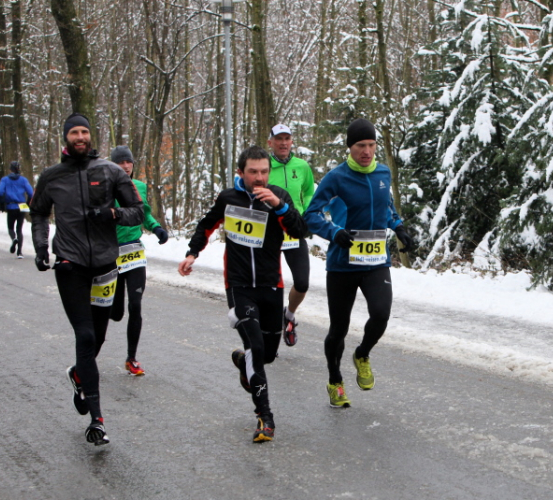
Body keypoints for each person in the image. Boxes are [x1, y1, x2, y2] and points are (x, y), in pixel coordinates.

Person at [177, 145, 307, 443]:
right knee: (256, 349)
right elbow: (206, 226)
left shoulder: (278, 197)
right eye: (253, 172)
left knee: (268, 355)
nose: (259, 178)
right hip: (238, 286)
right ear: (240, 172)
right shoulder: (228, 198)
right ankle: (265, 418)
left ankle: (242, 362)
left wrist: (280, 206)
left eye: (264, 172)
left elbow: (300, 231)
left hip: (271, 286)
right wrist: (192, 253)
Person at [30, 113, 144, 446]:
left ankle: (79, 374)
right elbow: (38, 212)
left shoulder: (110, 171)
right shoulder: (51, 176)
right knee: (84, 335)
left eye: (84, 132)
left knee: (98, 338)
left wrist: (112, 214)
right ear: (65, 137)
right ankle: (97, 420)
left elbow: (138, 211)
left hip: (106, 264)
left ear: (90, 136)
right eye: (74, 133)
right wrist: (41, 247)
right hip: (70, 263)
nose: (80, 137)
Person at [303, 118, 414, 409]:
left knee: (381, 314)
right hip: (343, 264)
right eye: (360, 145)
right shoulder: (336, 178)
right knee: (338, 328)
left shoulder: (383, 173)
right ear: (350, 147)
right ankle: (335, 381)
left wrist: (399, 227)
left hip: (376, 261)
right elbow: (311, 215)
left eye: (371, 145)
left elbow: (386, 207)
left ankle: (362, 354)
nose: (366, 151)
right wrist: (333, 232)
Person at [109, 145, 169, 376]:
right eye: (120, 163)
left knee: (135, 305)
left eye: (129, 162)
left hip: (134, 251)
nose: (125, 166)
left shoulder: (139, 187)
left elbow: (144, 213)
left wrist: (156, 227)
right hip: (112, 253)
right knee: (115, 313)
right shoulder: (106, 187)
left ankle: (131, 358)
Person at [267, 124, 314, 347]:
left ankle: (289, 315)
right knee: (270, 285)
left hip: (294, 231)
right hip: (269, 233)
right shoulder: (265, 167)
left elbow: (309, 192)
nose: (283, 143)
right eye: (279, 139)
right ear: (271, 143)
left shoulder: (302, 166)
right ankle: (268, 333)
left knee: (302, 283)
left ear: (292, 141)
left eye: (287, 138)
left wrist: (306, 216)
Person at [0, 161, 33, 258]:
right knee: (19, 229)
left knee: (10, 227)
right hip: (22, 206)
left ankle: (13, 239)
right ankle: (19, 252)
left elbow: (0, 192)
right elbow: (31, 193)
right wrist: (27, 203)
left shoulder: (5, 180)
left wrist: (2, 203)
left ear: (10, 169)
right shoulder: (23, 180)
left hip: (11, 205)